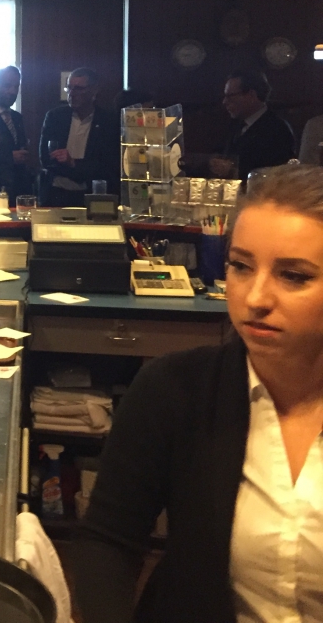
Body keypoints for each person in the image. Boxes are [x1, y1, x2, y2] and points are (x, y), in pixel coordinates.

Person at [73, 164, 323, 623]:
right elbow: (108, 540)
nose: (255, 298)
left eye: (293, 275)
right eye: (241, 266)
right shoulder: (174, 390)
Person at [38, 67, 118, 206]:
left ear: (94, 90)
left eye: (79, 89)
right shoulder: (55, 117)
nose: (72, 93)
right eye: (69, 88)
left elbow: (108, 164)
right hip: (56, 192)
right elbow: (45, 157)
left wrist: (74, 163)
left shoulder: (108, 121)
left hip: (91, 193)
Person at [211, 69, 296, 181]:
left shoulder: (278, 129)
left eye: (230, 96)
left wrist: (232, 168)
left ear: (251, 95)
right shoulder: (235, 124)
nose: (225, 102)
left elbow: (275, 173)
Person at [0, 65, 31, 200]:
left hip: (16, 190)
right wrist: (9, 158)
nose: (13, 91)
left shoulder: (17, 117)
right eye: (7, 86)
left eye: (16, 87)